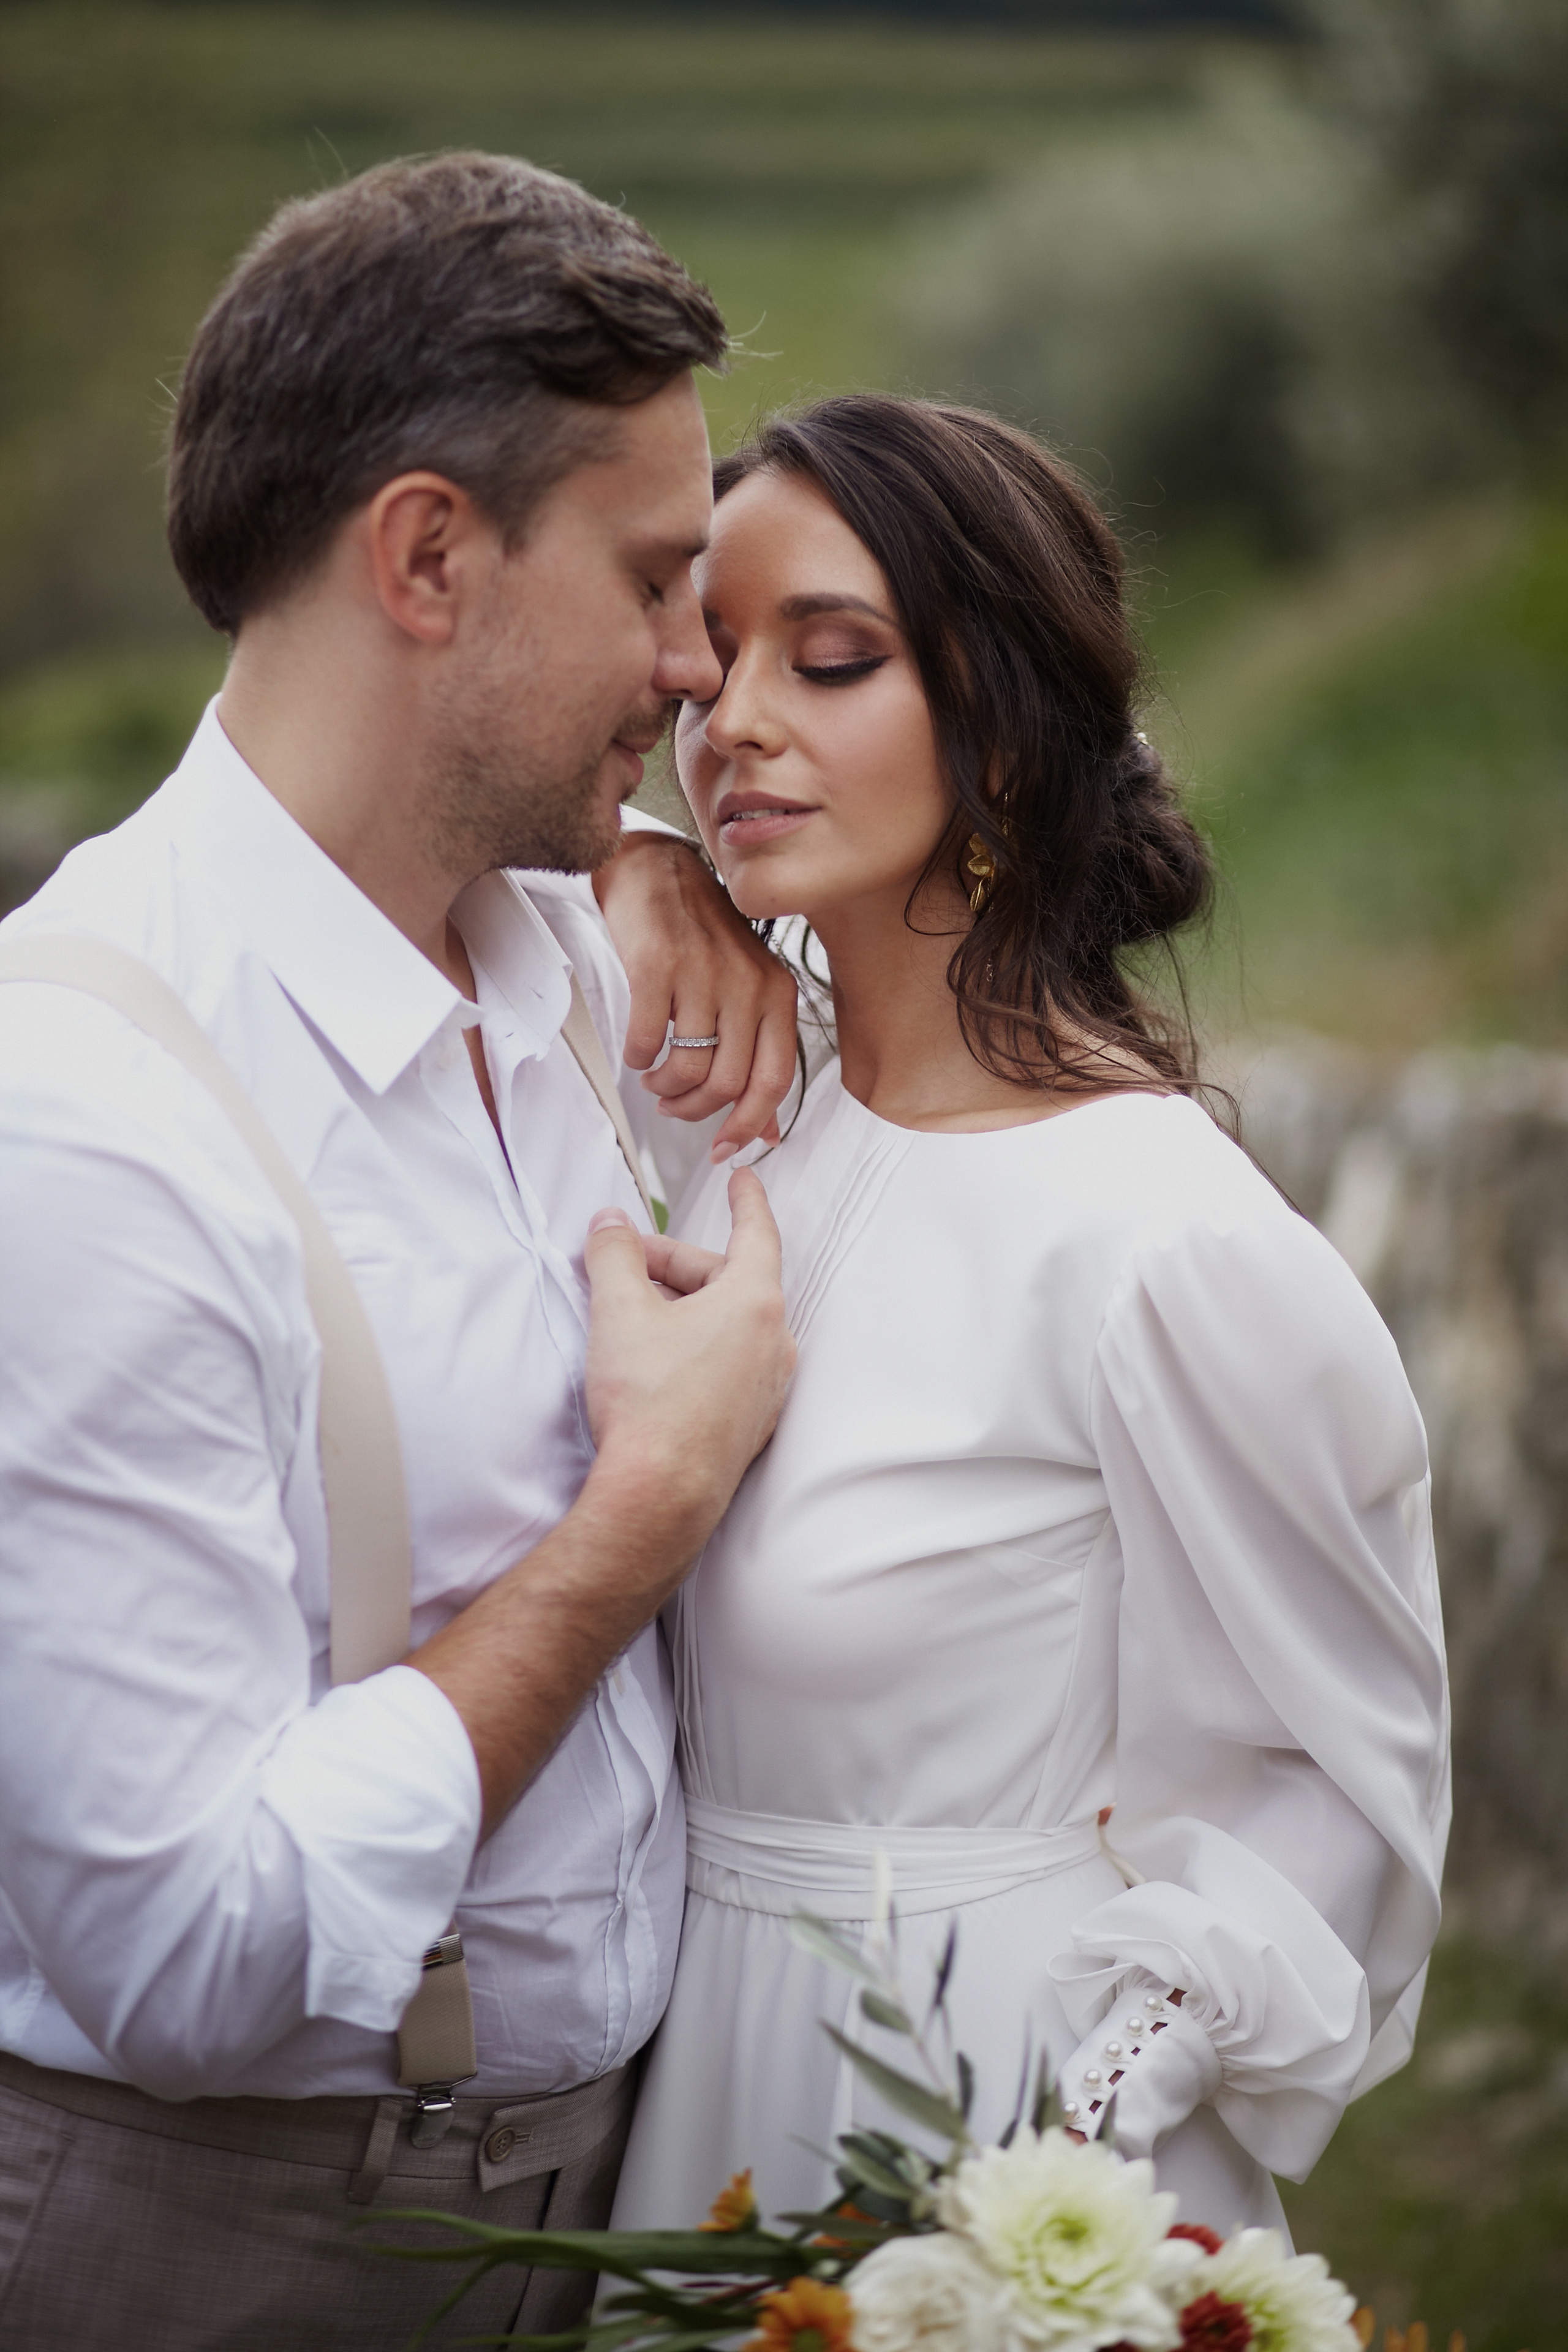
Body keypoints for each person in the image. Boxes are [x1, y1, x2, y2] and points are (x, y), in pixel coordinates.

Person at [0, 154, 801, 2350]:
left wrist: (650, 860)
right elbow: (187, 1960)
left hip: (619, 2204)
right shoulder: (77, 1127)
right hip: (233, 2247)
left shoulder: (559, 951)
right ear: (430, 555)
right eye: (656, 585)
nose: (695, 671)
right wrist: (639, 1515)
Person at [611, 395, 1451, 2243]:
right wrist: (631, 864)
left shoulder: (1163, 1243)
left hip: (971, 2121)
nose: (730, 721)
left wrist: (1043, 2166)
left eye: (827, 661)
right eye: (711, 657)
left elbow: (1342, 1781)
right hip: (697, 2104)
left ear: (1000, 722)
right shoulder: (753, 1119)